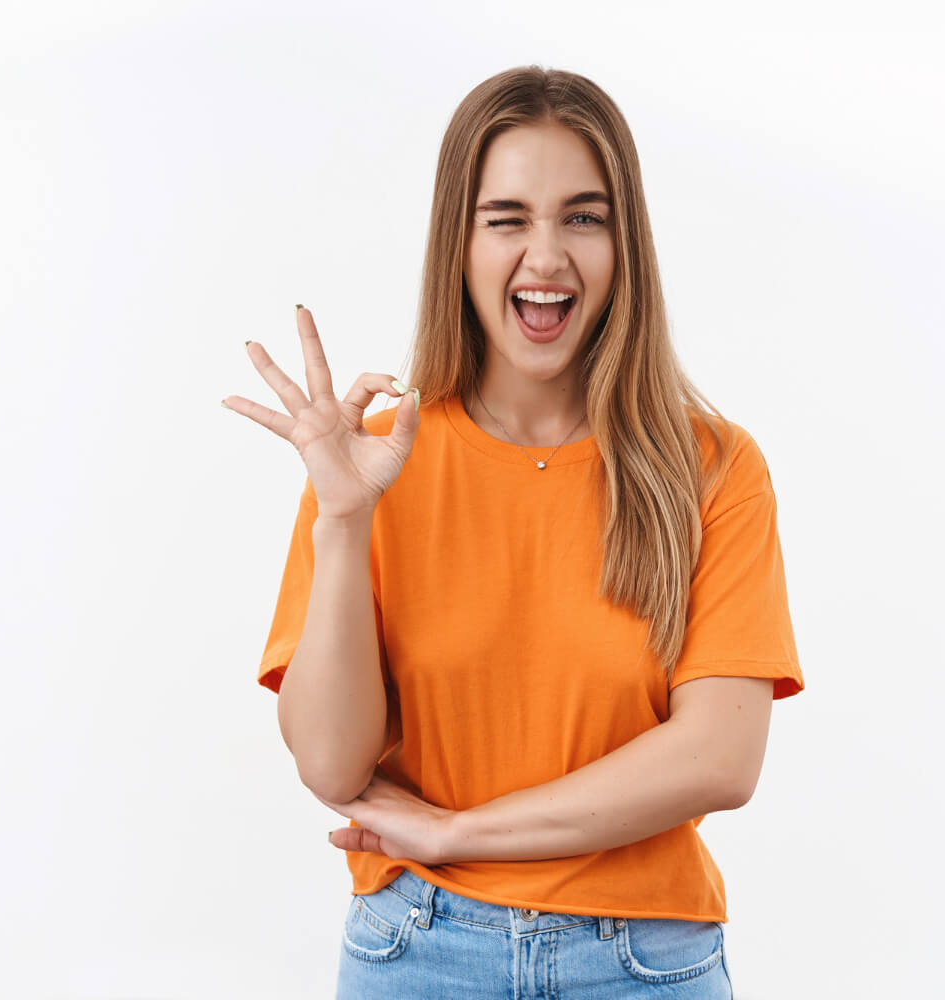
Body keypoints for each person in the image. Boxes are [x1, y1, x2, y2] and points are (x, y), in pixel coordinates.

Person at [220, 66, 804, 999]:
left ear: (626, 242)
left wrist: (458, 834)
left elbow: (719, 759)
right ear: (459, 242)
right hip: (416, 951)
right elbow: (333, 764)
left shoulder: (713, 466)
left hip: (643, 960)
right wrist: (342, 522)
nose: (546, 256)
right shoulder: (372, 466)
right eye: (507, 219)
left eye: (583, 216)